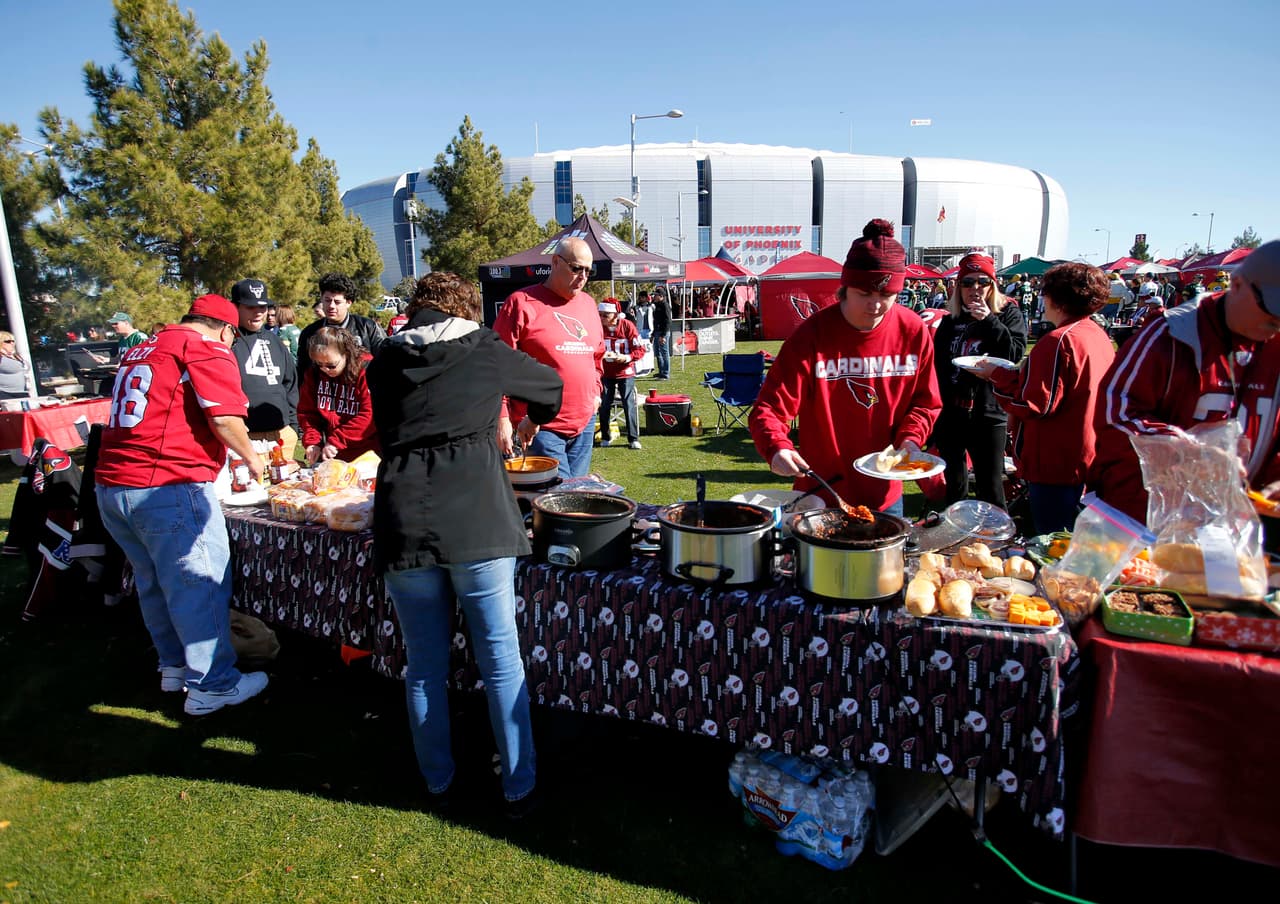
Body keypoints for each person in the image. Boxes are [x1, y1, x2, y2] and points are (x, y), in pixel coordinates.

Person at [366, 271, 562, 817]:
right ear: (466, 310)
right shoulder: (483, 348)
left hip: (405, 511)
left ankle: (437, 779)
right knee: (500, 661)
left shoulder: (385, 360)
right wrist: (531, 420)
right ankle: (518, 783)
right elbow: (552, 387)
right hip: (475, 516)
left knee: (424, 664)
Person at [94, 294, 269, 716]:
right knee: (199, 585)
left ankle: (173, 666)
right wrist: (253, 457)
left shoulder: (143, 346)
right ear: (226, 330)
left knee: (152, 582)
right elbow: (225, 418)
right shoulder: (205, 347)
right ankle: (212, 685)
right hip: (167, 483)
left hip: (113, 484)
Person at [749, 219, 942, 516]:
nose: (875, 305)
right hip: (821, 493)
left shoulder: (913, 331)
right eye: (864, 294)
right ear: (845, 286)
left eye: (886, 296)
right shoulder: (812, 336)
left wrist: (911, 439)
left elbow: (925, 403)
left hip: (886, 495)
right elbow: (770, 408)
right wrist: (776, 447)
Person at [1090, 239, 1280, 524]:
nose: (1276, 323)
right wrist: (1185, 450)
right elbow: (1115, 413)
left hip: (1233, 524)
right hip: (1147, 520)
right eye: (1271, 309)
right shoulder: (1169, 334)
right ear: (1237, 284)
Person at [968, 263, 1116, 533]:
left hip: (1055, 461)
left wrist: (995, 375)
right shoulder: (1097, 334)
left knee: (1052, 542)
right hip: (1087, 456)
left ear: (1054, 298)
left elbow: (1034, 404)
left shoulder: (1058, 341)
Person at [492, 236, 604, 478]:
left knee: (578, 500)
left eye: (588, 270)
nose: (583, 276)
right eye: (576, 268)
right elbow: (496, 365)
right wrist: (502, 418)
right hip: (538, 426)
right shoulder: (521, 303)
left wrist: (596, 391)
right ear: (555, 262)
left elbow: (597, 356)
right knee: (558, 504)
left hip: (583, 424)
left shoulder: (588, 304)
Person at [932, 252, 1027, 508]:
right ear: (958, 287)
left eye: (982, 282)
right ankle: (956, 537)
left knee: (990, 485)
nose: (975, 288)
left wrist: (988, 320)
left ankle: (997, 541)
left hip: (988, 411)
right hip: (952, 411)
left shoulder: (1007, 313)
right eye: (967, 282)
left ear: (993, 285)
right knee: (955, 482)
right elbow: (938, 363)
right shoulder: (950, 320)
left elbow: (1015, 353)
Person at [230, 278, 300, 460]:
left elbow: (290, 384)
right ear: (236, 307)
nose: (258, 313)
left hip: (281, 435)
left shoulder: (275, 340)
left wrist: (293, 427)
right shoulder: (228, 340)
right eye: (250, 307)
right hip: (245, 437)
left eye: (262, 308)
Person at [298, 327, 379, 465]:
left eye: (331, 365)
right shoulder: (314, 374)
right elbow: (307, 412)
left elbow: (370, 414)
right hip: (335, 453)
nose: (325, 369)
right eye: (319, 364)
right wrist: (313, 441)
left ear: (346, 354)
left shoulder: (366, 370)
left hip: (368, 453)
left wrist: (337, 440)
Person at [296, 273, 386, 377]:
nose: (331, 306)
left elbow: (385, 362)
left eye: (337, 302)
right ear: (321, 299)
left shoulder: (368, 328)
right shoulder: (310, 333)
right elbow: (303, 370)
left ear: (348, 302)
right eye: (327, 300)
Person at [596, 298, 645, 450]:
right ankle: (605, 435)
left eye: (606, 315)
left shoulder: (627, 326)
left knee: (628, 403)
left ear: (616, 315)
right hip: (605, 372)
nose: (602, 318)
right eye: (600, 314)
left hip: (625, 370)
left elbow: (640, 349)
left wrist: (627, 357)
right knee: (604, 404)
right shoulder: (597, 327)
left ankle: (633, 438)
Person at [0, 331, 32, 399]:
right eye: (8, 341)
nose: (12, 343)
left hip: (22, 392)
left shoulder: (14, 355)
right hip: (4, 393)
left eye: (13, 341)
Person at [651, 287, 672, 379]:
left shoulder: (665, 305)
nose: (654, 297)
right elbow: (655, 321)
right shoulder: (656, 305)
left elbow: (668, 321)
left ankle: (666, 373)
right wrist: (653, 334)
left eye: (656, 295)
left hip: (663, 332)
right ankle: (661, 371)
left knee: (664, 352)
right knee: (657, 353)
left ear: (661, 296)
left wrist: (663, 335)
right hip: (656, 331)